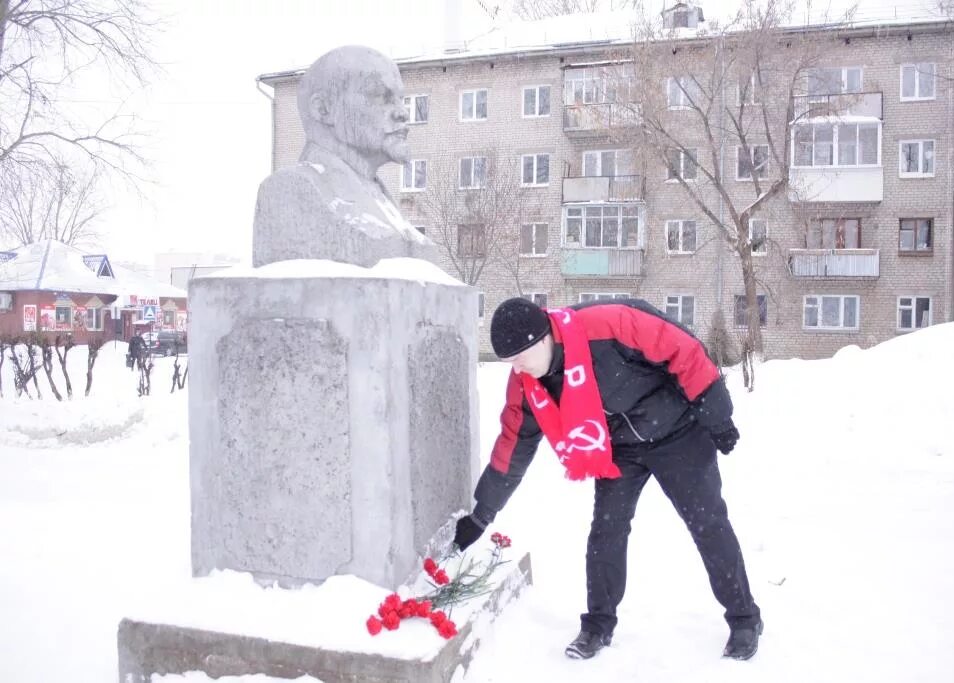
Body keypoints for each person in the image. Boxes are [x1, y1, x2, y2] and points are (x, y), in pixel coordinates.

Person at [453, 297, 762, 661]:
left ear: (542, 339)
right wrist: (481, 515)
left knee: (707, 523)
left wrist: (717, 416)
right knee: (606, 531)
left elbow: (683, 348)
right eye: (509, 362)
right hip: (618, 449)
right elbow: (513, 444)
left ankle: (744, 619)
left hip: (678, 430)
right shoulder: (527, 384)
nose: (516, 367)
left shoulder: (605, 324)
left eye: (520, 357)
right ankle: (597, 626)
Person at [252, 45, 436, 269]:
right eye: (380, 96)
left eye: (400, 99)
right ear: (324, 109)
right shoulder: (291, 189)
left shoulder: (379, 195)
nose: (402, 113)